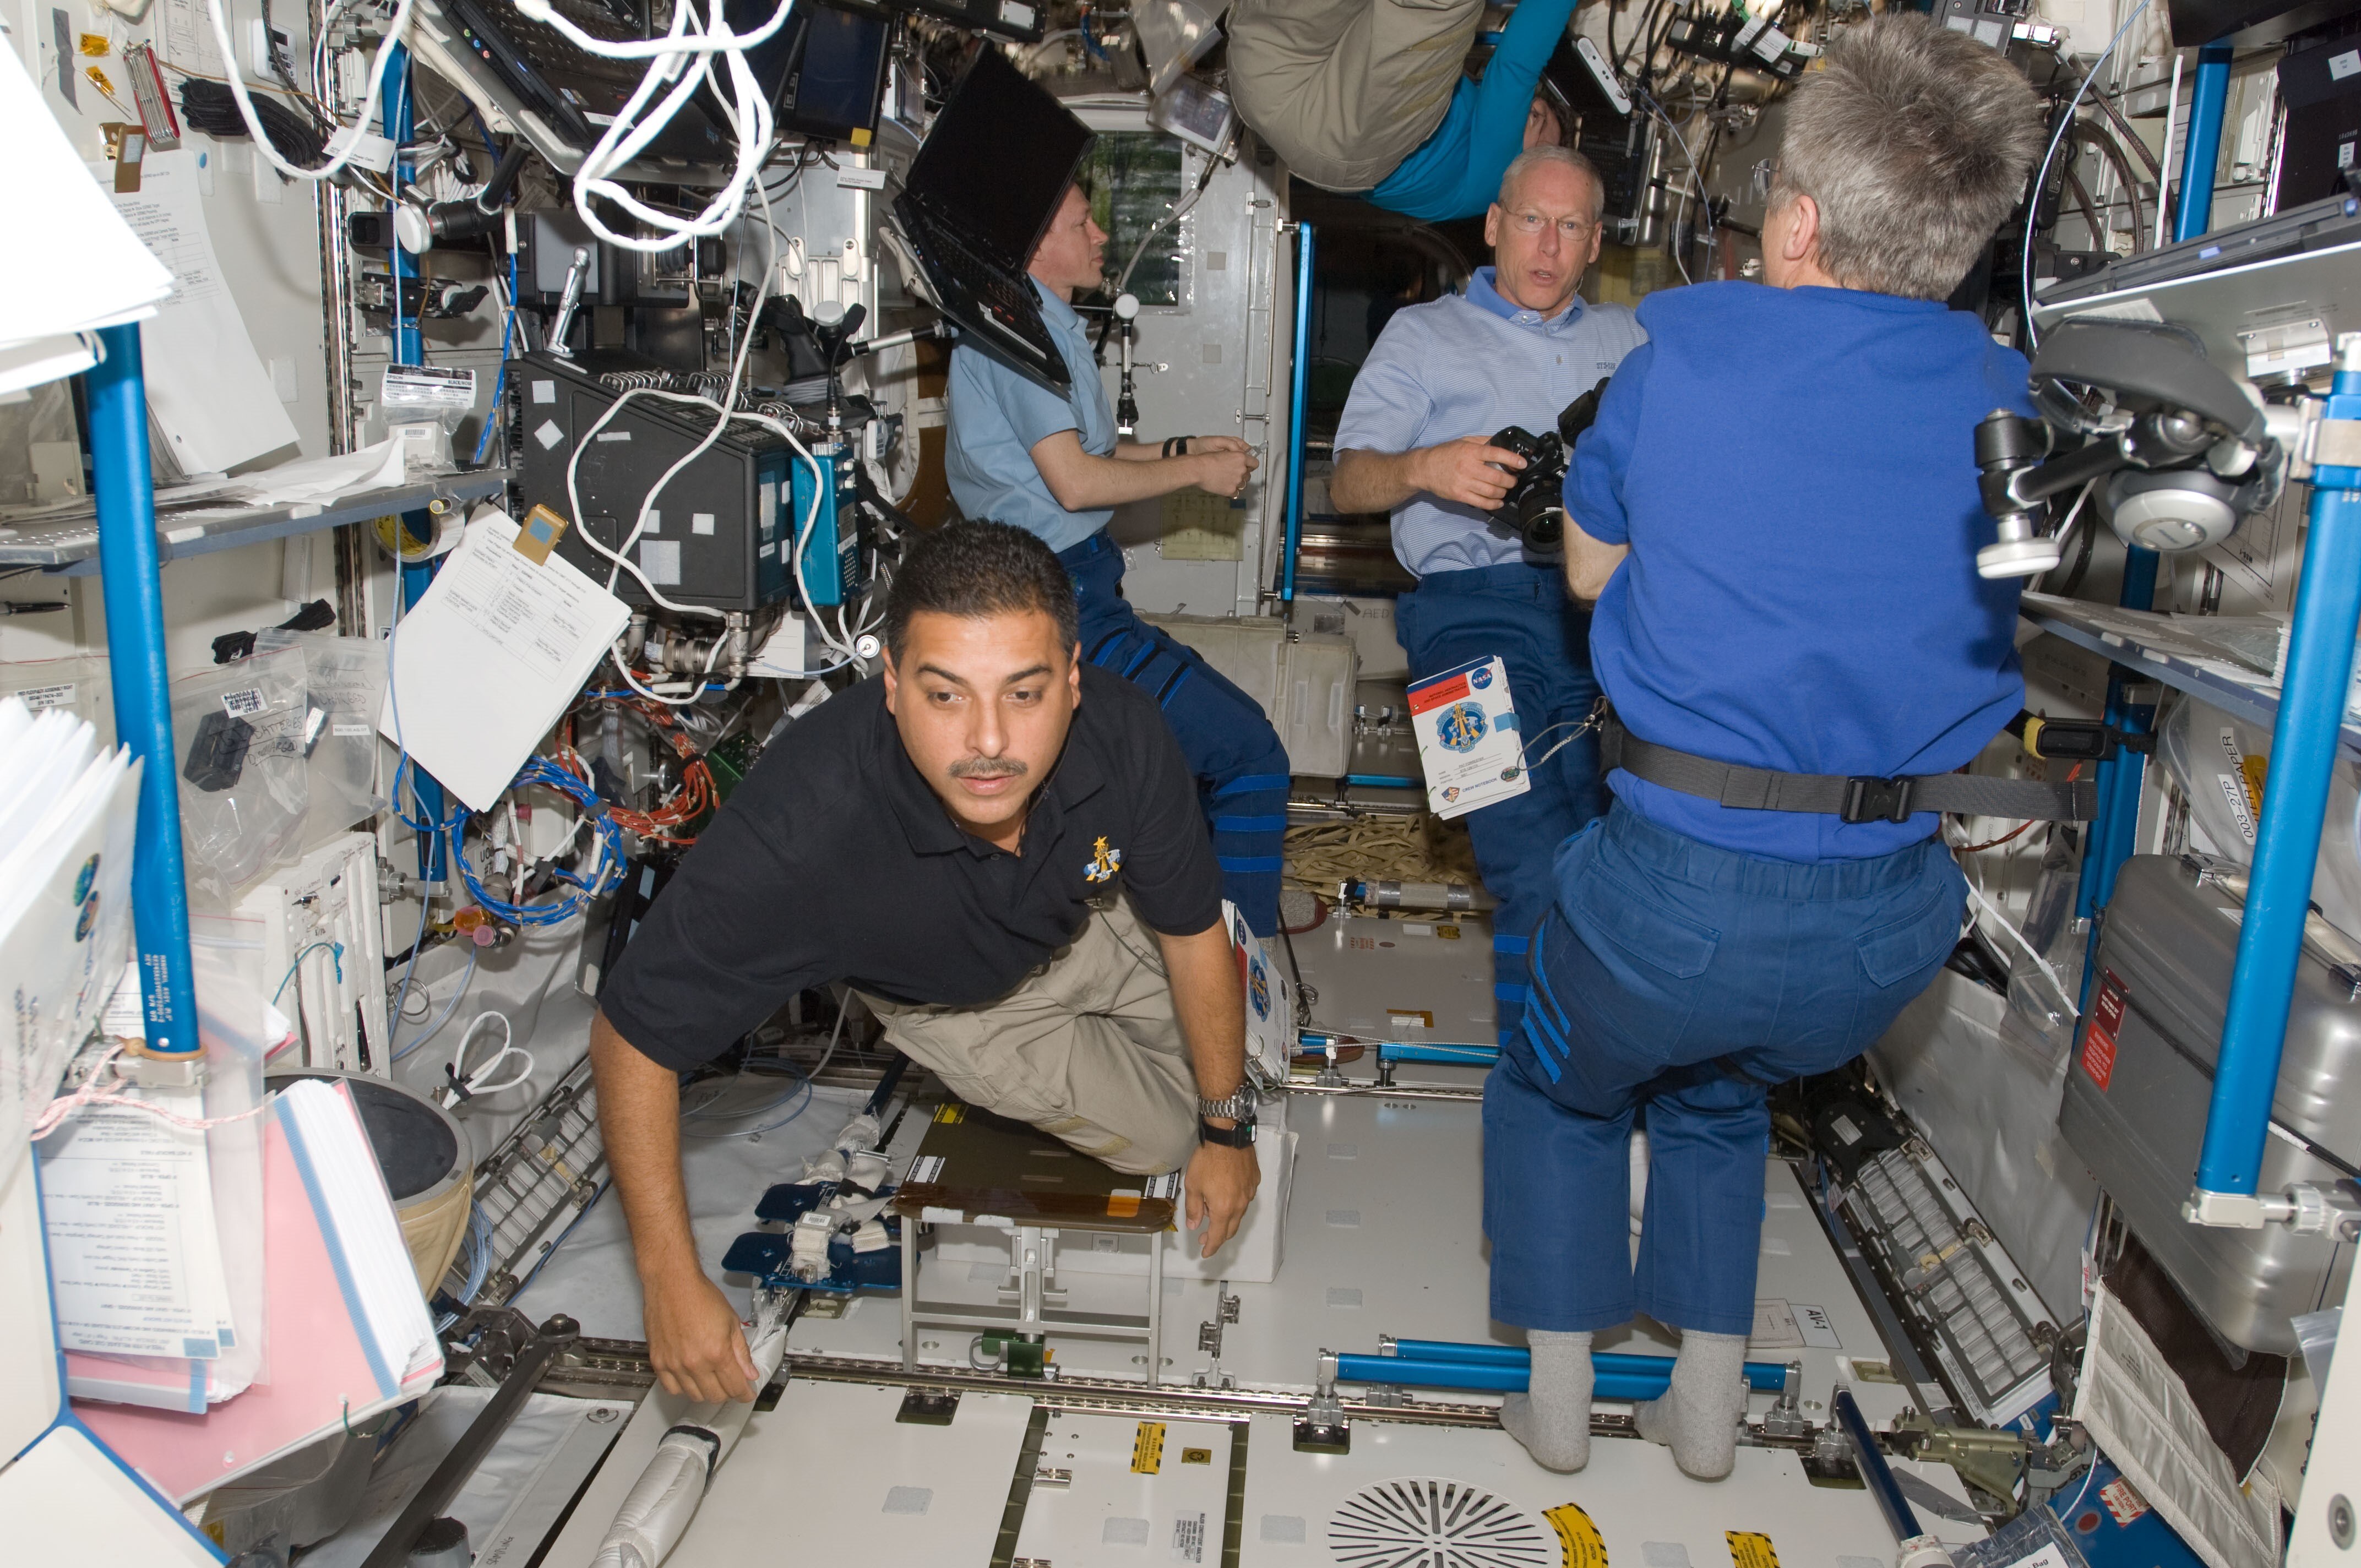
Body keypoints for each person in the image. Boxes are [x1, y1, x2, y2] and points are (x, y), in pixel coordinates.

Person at [1485, 15, 2045, 1479]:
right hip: (1888, 943)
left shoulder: (1684, 366)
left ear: (1794, 222)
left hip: (1673, 903)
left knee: (1561, 1071)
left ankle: (1554, 1405)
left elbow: (1594, 574)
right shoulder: (2010, 405)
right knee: (1722, 1086)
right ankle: (1708, 1413)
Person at [589, 521, 1264, 1403]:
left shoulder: (1128, 737)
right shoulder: (803, 830)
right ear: (894, 686)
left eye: (1024, 694)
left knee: (1235, 1075)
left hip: (1084, 923)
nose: (988, 742)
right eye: (947, 697)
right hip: (964, 1007)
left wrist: (1230, 1128)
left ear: (1073, 682)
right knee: (1166, 1142)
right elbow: (632, 1036)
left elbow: (1191, 934)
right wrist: (669, 1280)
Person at [1329, 146, 1642, 1043]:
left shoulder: (1628, 342)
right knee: (1525, 859)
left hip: (1605, 618)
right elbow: (1347, 485)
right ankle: (1542, 1086)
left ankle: (1603, 1063)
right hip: (1459, 625)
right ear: (1493, 226)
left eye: (1570, 226)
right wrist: (1429, 465)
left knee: (1618, 859)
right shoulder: (1422, 336)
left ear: (1592, 245)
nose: (1548, 246)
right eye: (1532, 221)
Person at [946, 181, 1293, 937]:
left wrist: (1181, 448)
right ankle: (1237, 990)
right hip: (1055, 608)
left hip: (1077, 590)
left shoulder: (1042, 326)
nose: (1103, 235)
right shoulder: (1010, 337)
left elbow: (1085, 454)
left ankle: (1196, 952)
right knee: (1250, 758)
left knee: (1199, 766)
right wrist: (1196, 475)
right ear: (1035, 246)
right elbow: (1076, 484)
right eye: (1082, 223)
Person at [1224, 0, 1576, 221]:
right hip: (1269, 67)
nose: (1529, 114)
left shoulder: (1500, 182)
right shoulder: (1457, 107)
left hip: (1335, 140)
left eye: (1540, 133)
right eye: (1538, 110)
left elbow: (1516, 66)